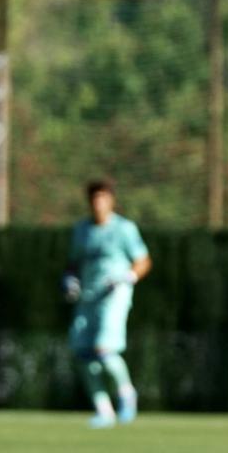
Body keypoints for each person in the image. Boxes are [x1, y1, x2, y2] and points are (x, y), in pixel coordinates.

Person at [64, 179, 150, 428]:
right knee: (84, 355)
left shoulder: (124, 229)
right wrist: (70, 280)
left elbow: (143, 261)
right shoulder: (82, 230)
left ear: (111, 200)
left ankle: (126, 394)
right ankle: (104, 410)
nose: (98, 203)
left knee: (104, 349)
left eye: (103, 197)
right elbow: (73, 263)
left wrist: (128, 277)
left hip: (114, 297)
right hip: (88, 297)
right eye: (94, 198)